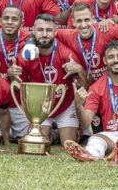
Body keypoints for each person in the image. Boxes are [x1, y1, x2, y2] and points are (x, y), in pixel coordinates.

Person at [8, 14, 87, 146]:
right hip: (40, 107)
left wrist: (80, 70)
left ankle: (60, 131)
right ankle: (53, 133)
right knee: (38, 142)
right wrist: (11, 75)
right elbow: (17, 86)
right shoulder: (26, 55)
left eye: (49, 30)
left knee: (68, 144)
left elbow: (83, 86)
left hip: (64, 105)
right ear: (33, 31)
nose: (44, 34)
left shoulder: (66, 54)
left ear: (55, 32)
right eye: (40, 30)